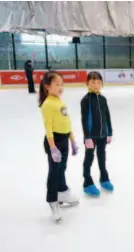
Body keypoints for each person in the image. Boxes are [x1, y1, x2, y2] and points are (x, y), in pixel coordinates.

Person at [39, 70, 80, 222]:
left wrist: (73, 140)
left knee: (62, 167)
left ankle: (62, 190)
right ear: (48, 86)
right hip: (54, 141)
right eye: (57, 84)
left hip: (64, 140)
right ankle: (52, 199)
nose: (60, 87)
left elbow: (66, 122)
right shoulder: (47, 104)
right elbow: (48, 127)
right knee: (54, 171)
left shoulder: (60, 101)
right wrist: (53, 147)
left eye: (62, 84)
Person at [80, 71, 114, 197]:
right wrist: (87, 137)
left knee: (102, 157)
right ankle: (87, 183)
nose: (96, 85)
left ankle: (104, 178)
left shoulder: (103, 99)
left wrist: (109, 132)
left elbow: (107, 117)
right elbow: (84, 120)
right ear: (87, 83)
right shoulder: (85, 100)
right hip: (91, 136)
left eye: (98, 82)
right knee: (89, 158)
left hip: (103, 135)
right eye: (93, 82)